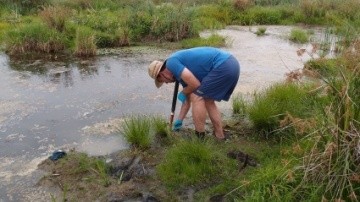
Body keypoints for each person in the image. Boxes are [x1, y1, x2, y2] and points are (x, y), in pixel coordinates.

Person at [148, 47, 240, 140]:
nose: (167, 83)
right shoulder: (179, 72)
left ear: (161, 74)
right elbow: (187, 101)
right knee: (208, 101)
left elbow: (195, 85)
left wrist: (183, 92)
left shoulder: (171, 63)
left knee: (197, 96)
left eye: (163, 81)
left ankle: (200, 137)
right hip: (232, 64)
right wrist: (180, 120)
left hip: (223, 65)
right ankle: (220, 135)